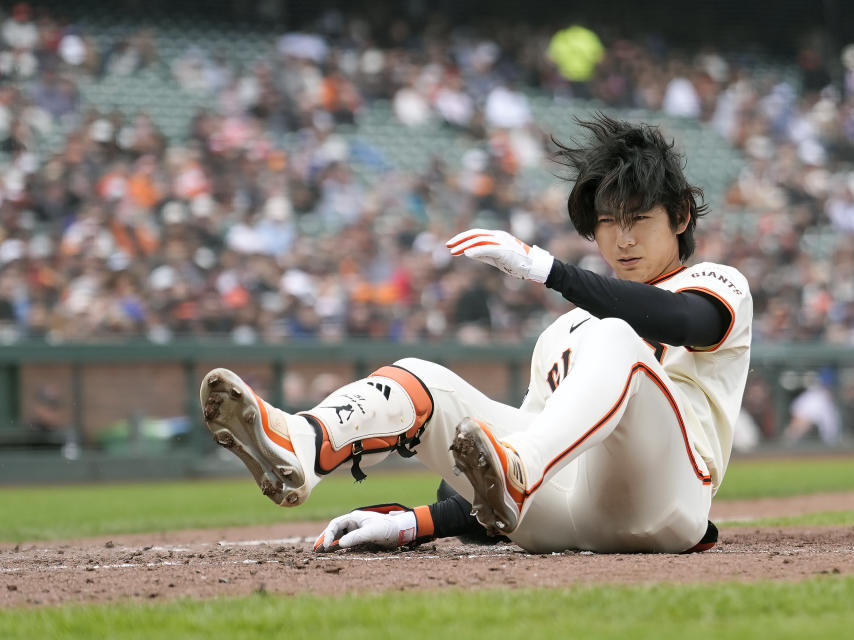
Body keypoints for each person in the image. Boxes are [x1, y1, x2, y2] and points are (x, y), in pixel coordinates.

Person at [200, 114, 753, 553]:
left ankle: (523, 469)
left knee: (615, 335)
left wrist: (548, 271)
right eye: (608, 222)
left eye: (639, 220)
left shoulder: (716, 282)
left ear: (680, 216)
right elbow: (489, 460)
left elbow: (682, 322)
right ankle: (300, 443)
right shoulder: (563, 333)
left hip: (667, 503)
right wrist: (415, 523)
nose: (621, 238)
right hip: (559, 510)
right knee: (423, 380)